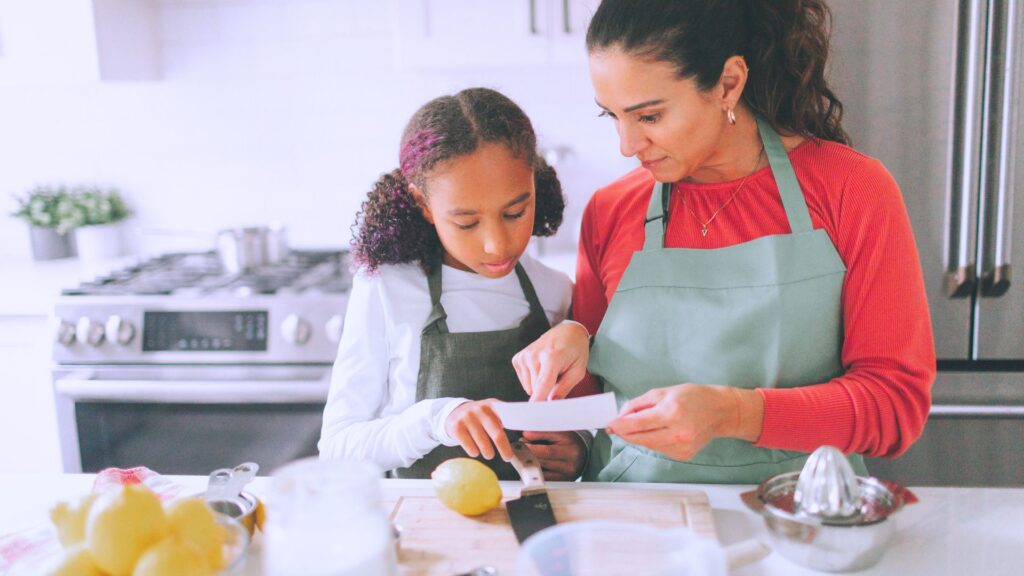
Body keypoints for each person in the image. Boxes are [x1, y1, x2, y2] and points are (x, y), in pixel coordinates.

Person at [512, 0, 936, 483]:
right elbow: (594, 409)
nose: (626, 146)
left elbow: (894, 405)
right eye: (611, 115)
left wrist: (733, 413)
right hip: (637, 526)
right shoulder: (611, 211)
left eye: (649, 117)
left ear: (728, 84)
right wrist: (575, 352)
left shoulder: (851, 190)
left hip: (796, 521)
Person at [318, 87, 585, 480]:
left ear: (534, 182)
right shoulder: (386, 289)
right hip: (421, 523)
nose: (496, 243)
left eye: (515, 211)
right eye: (467, 222)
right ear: (423, 205)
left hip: (531, 520)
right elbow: (336, 448)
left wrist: (578, 449)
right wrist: (436, 420)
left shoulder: (555, 291)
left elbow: (585, 417)